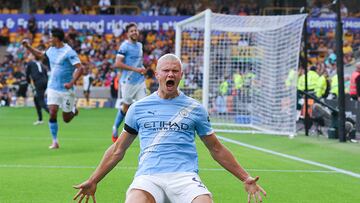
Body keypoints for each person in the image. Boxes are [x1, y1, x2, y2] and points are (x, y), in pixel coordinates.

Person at [73, 54, 266, 203]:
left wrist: (245, 177)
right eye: (166, 70)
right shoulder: (138, 108)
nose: (170, 74)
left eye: (175, 71)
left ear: (181, 75)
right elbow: (118, 150)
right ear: (157, 74)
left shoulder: (195, 108)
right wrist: (93, 179)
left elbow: (216, 149)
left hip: (184, 176)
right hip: (149, 177)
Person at [22, 28, 84, 149]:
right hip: (53, 87)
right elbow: (40, 55)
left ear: (56, 38)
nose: (49, 39)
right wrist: (28, 46)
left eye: (51, 37)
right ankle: (55, 141)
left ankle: (74, 111)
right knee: (52, 112)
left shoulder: (69, 52)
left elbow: (80, 68)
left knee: (66, 119)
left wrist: (71, 83)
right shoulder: (51, 50)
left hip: (67, 89)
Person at [111, 22, 147, 142]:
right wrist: (135, 69)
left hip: (140, 81)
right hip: (128, 81)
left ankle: (143, 134)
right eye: (131, 31)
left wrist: (142, 68)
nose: (134, 32)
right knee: (126, 106)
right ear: (127, 34)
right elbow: (118, 64)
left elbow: (138, 62)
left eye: (135, 30)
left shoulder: (140, 46)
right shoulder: (124, 46)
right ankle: (115, 127)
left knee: (143, 106)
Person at [25, 52, 49, 125]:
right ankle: (40, 119)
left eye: (30, 55)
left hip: (38, 83)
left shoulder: (30, 63)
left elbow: (27, 74)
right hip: (44, 82)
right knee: (36, 99)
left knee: (40, 100)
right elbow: (46, 74)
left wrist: (29, 83)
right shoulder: (41, 65)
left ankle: (52, 113)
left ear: (33, 57)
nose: (29, 56)